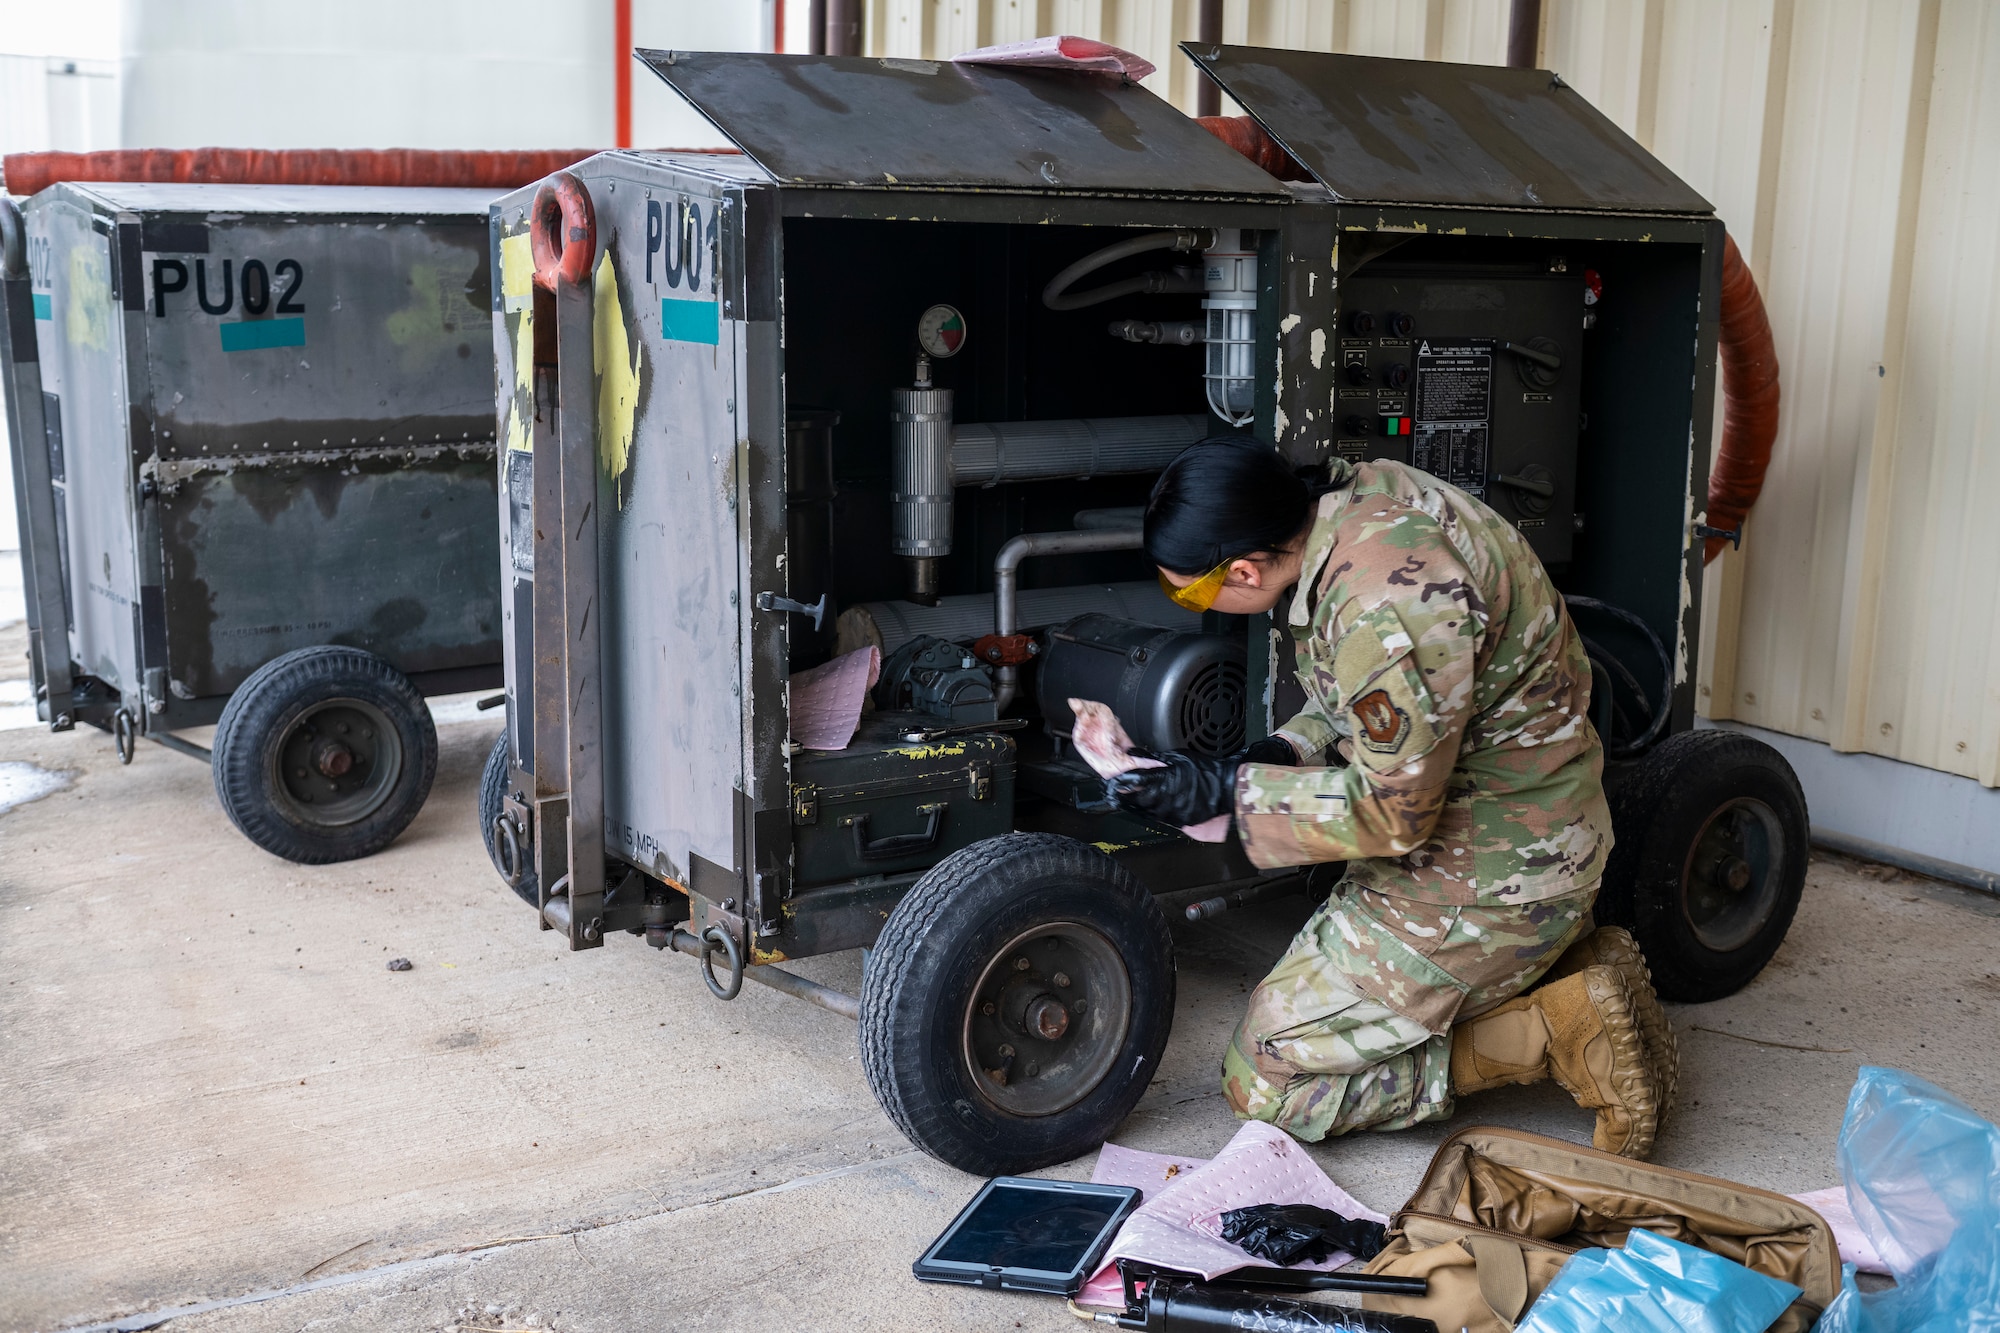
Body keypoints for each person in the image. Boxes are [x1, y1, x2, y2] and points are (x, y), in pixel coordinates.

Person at [1110, 440, 1677, 1158]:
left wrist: (1229, 795)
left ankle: (1549, 1034)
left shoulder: (1384, 600)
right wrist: (1280, 753)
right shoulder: (1359, 506)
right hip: (1520, 822)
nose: (1193, 604)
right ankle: (1572, 963)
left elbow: (1396, 813)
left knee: (1266, 1079)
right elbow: (1373, 701)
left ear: (1246, 569)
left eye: (1188, 591)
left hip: (1490, 874)